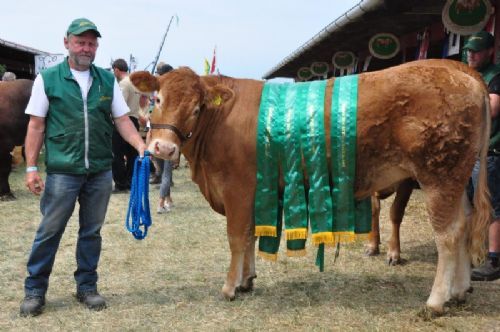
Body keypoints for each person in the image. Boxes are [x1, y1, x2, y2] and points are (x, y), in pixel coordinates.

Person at [20, 18, 146, 317]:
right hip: (63, 171)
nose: (86, 48)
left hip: (100, 171)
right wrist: (31, 167)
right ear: (67, 43)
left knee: (92, 232)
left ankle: (86, 287)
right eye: (80, 42)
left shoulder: (106, 80)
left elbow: (122, 120)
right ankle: (35, 290)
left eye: (91, 43)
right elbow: (36, 126)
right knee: (49, 232)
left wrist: (140, 145)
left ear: (96, 46)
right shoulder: (47, 79)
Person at [464, 30, 500, 281]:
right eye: (469, 49)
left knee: (494, 205)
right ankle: (473, 251)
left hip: (492, 151)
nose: (471, 54)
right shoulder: (471, 75)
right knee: (472, 204)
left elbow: (493, 108)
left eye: (476, 50)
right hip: (473, 152)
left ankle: (495, 260)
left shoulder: (495, 76)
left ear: (489, 51)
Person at [111, 58, 147, 192]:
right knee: (132, 155)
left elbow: (119, 105)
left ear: (116, 70)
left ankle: (120, 183)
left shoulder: (123, 84)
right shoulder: (135, 83)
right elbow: (142, 102)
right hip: (134, 119)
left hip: (123, 121)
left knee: (117, 154)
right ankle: (130, 181)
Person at [149, 62, 174, 185]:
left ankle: (167, 180)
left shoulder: (172, 89)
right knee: (155, 151)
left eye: (159, 74)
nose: (157, 76)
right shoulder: (158, 87)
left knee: (167, 153)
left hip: (168, 126)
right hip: (156, 124)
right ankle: (160, 175)